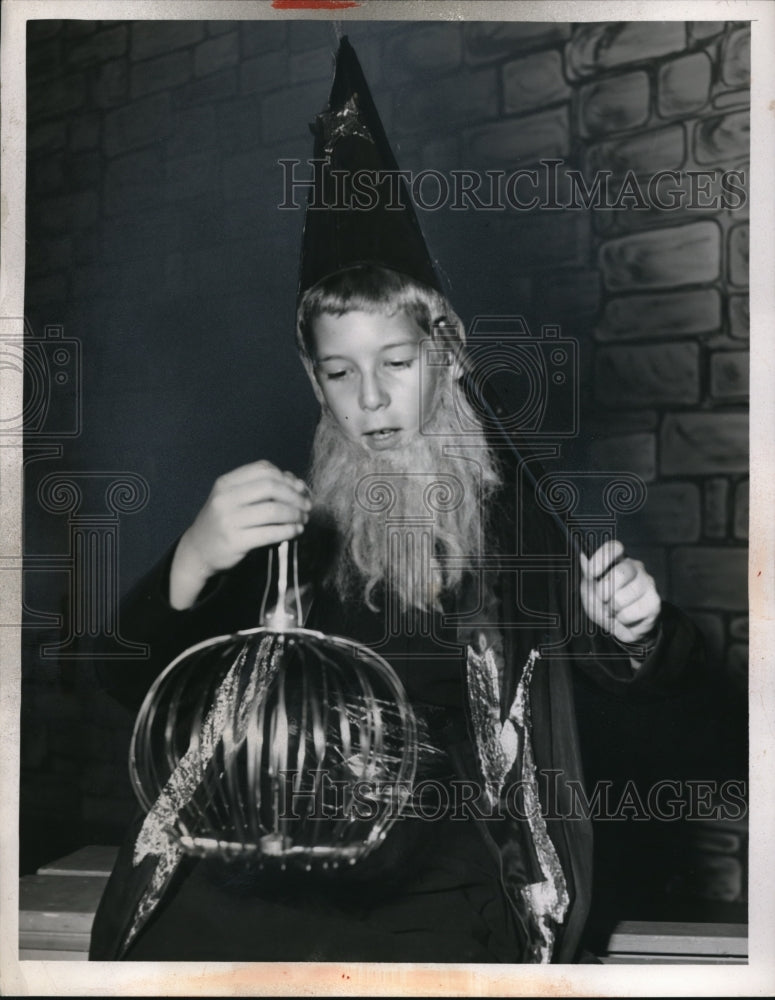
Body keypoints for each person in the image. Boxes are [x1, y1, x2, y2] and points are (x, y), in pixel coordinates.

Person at [89, 39, 705, 964]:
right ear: (314, 381)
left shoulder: (516, 519)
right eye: (339, 373)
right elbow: (122, 684)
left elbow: (656, 700)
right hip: (282, 853)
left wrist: (637, 632)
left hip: (444, 868)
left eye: (396, 363)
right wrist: (192, 560)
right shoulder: (284, 523)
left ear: (446, 357)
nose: (370, 400)